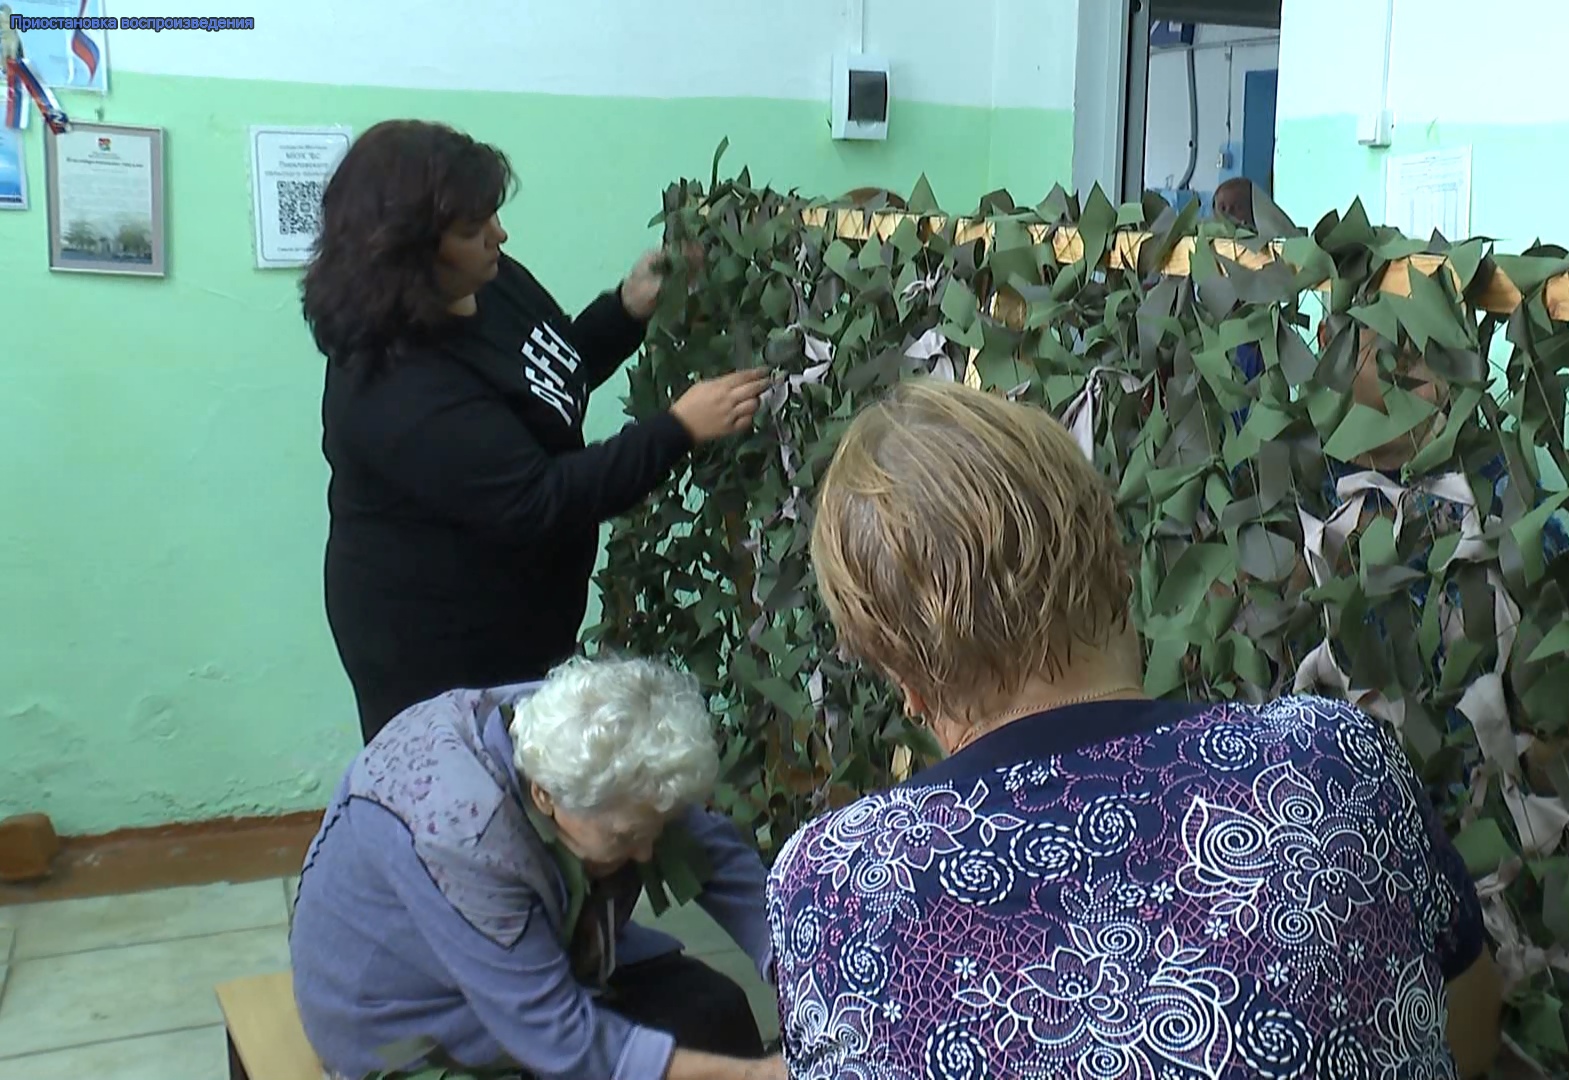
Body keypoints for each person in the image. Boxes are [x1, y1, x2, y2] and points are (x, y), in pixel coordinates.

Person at [766, 379, 1505, 1078]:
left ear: (901, 679)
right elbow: (1463, 1038)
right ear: (1118, 563)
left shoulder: (828, 888)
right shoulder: (1331, 763)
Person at [301, 119, 772, 742]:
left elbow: (545, 378)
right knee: (463, 805)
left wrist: (625, 309)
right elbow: (542, 499)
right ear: (410, 253)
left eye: (491, 214)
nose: (500, 234)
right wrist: (679, 427)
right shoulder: (396, 387)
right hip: (439, 648)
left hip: (522, 616)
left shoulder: (484, 281)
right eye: (473, 228)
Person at [289, 653, 788, 1080]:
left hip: (532, 953)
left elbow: (707, 850)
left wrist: (801, 965)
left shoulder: (584, 734)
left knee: (716, 1014)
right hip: (404, 1018)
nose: (643, 853)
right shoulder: (467, 833)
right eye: (624, 837)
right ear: (546, 796)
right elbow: (558, 1040)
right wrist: (755, 1075)